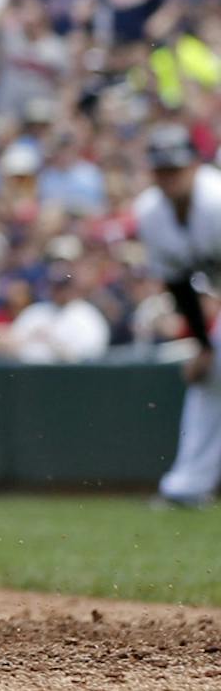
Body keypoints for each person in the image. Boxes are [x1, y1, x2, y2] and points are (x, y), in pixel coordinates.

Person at [136, 126, 221, 508]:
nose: (169, 176)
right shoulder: (151, 213)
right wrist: (202, 346)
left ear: (194, 165)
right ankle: (188, 486)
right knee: (210, 375)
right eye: (162, 169)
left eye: (176, 167)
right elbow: (179, 284)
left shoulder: (216, 200)